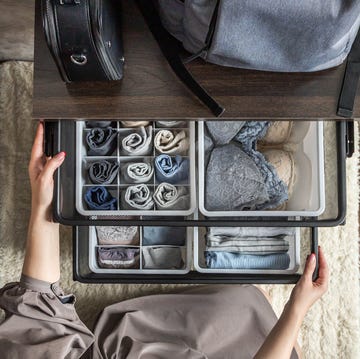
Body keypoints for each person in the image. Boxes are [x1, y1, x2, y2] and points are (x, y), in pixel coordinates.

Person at [0, 122, 329, 359]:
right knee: (264, 326)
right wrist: (295, 310)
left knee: (246, 313)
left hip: (134, 341)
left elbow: (38, 308)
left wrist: (44, 200)